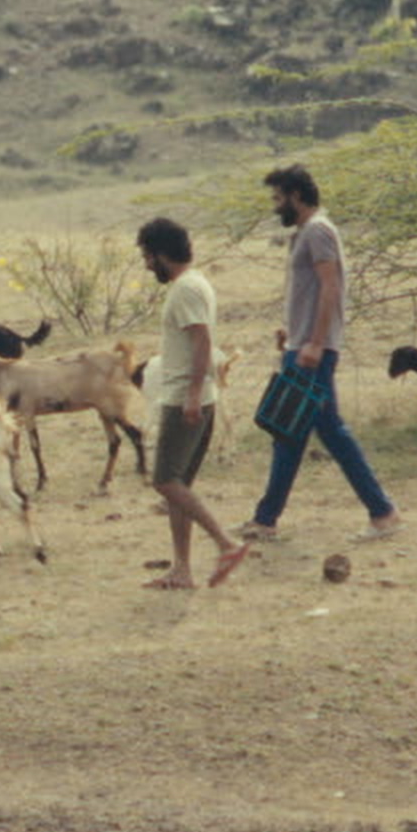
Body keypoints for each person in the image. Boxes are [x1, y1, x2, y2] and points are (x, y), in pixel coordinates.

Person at [207, 163, 398, 586]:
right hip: (303, 345)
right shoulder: (306, 233)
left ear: (296, 195)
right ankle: (266, 519)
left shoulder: (317, 231)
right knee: (290, 431)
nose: (275, 206)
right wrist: (294, 334)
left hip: (313, 351)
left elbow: (331, 288)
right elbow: (312, 291)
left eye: (278, 198)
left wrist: (314, 341)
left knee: (326, 430)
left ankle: (382, 512)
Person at [133, 216, 246, 590]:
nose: (147, 265)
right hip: (192, 395)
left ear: (162, 254)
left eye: (148, 257)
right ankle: (182, 569)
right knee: (179, 486)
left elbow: (202, 342)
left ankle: (226, 543)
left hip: (185, 398)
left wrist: (193, 395)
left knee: (165, 481)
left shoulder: (186, 289)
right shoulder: (193, 284)